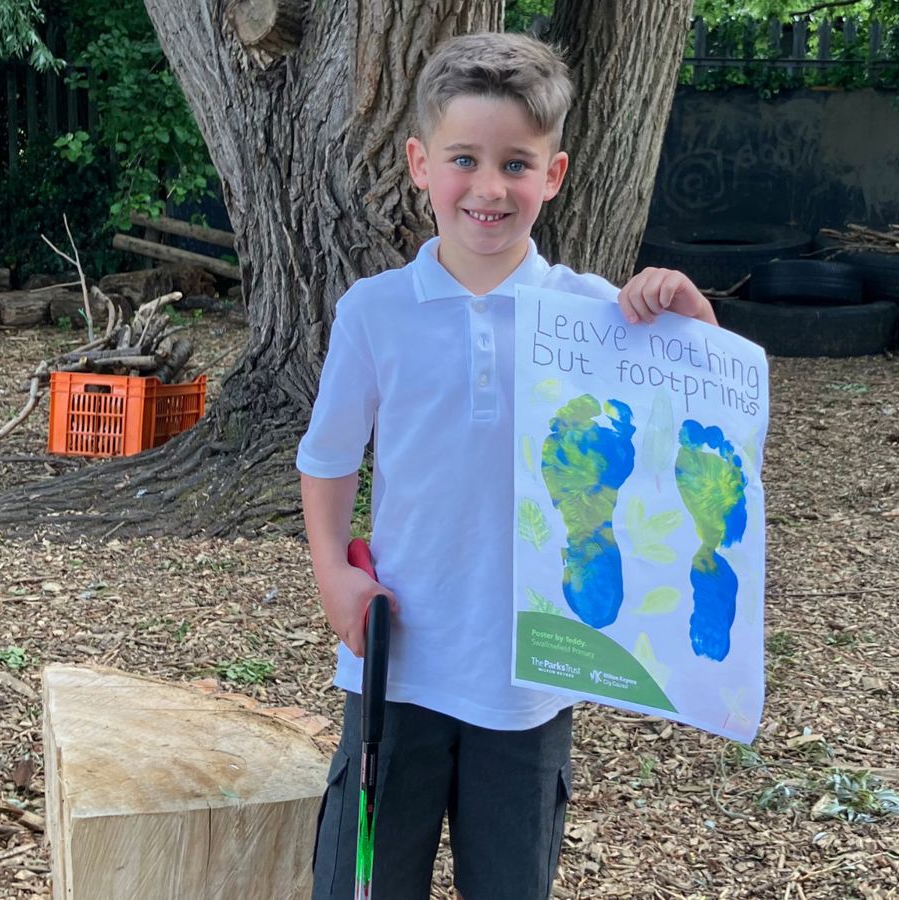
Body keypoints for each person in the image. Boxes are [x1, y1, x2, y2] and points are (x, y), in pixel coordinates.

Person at [297, 31, 717, 900]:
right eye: (464, 159)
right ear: (419, 164)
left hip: (531, 677)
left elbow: (691, 437)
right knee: (363, 887)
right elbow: (329, 458)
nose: (489, 188)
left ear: (553, 174)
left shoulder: (598, 315)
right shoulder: (374, 312)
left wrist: (691, 323)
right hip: (397, 666)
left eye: (516, 164)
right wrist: (332, 574)